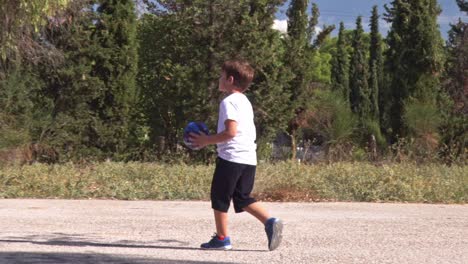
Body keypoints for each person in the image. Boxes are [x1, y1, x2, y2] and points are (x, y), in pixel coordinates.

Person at [190, 59, 283, 251]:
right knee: (242, 198)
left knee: (219, 196)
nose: (219, 78)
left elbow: (231, 132)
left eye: (221, 76)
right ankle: (270, 221)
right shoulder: (245, 101)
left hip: (231, 158)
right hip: (249, 158)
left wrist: (206, 140)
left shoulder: (228, 101)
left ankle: (222, 238)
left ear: (230, 80)